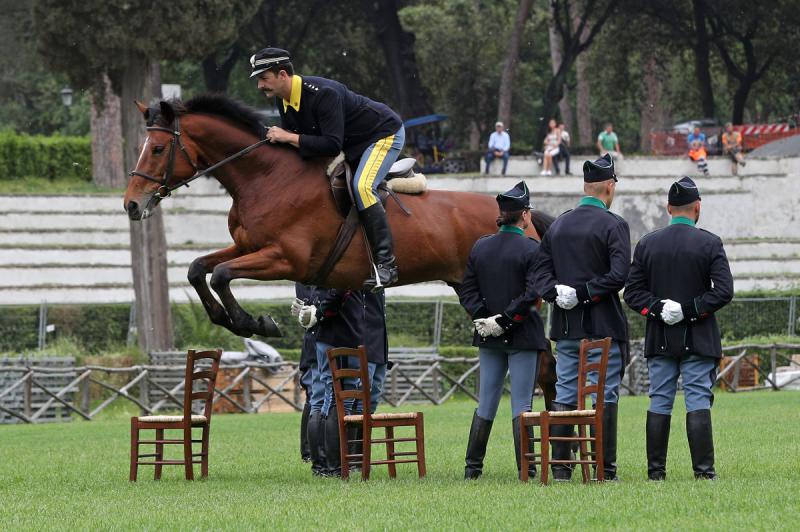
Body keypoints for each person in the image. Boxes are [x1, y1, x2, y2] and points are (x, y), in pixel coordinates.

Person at [251, 47, 404, 290]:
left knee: (362, 187)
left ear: (282, 75)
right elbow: (301, 145)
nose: (260, 86)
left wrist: (287, 137)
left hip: (382, 135)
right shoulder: (284, 99)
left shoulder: (324, 94)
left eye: (263, 78)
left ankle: (387, 265)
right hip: (353, 144)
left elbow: (331, 145)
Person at [624, 177, 733, 481]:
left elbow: (632, 293)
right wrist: (690, 310)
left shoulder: (648, 243)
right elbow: (723, 291)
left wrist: (659, 308)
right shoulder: (709, 242)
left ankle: (655, 473)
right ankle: (704, 473)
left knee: (660, 399)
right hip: (698, 336)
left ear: (669, 208)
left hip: (660, 336)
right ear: (697, 208)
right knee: (697, 398)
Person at [534, 153, 630, 481]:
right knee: (602, 393)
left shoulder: (559, 223)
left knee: (564, 392)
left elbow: (539, 271)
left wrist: (555, 292)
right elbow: (619, 275)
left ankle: (561, 468)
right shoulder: (614, 224)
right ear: (609, 186)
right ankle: (605, 468)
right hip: (602, 325)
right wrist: (586, 292)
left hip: (565, 325)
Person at [458, 181, 548, 480]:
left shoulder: (481, 246)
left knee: (486, 401)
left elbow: (467, 290)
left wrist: (486, 319)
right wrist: (506, 320)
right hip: (522, 336)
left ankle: (473, 468)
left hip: (489, 337)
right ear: (525, 215)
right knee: (522, 403)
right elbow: (533, 293)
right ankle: (527, 468)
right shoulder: (532, 248)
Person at [296, 288, 388, 476]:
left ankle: (336, 464)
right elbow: (334, 294)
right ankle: (332, 465)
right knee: (330, 401)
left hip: (345, 335)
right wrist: (320, 312)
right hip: (340, 335)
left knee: (329, 401)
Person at [291, 283, 321, 467]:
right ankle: (308, 451)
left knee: (314, 397)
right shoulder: (304, 280)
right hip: (313, 344)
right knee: (313, 397)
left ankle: (311, 450)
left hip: (314, 341)